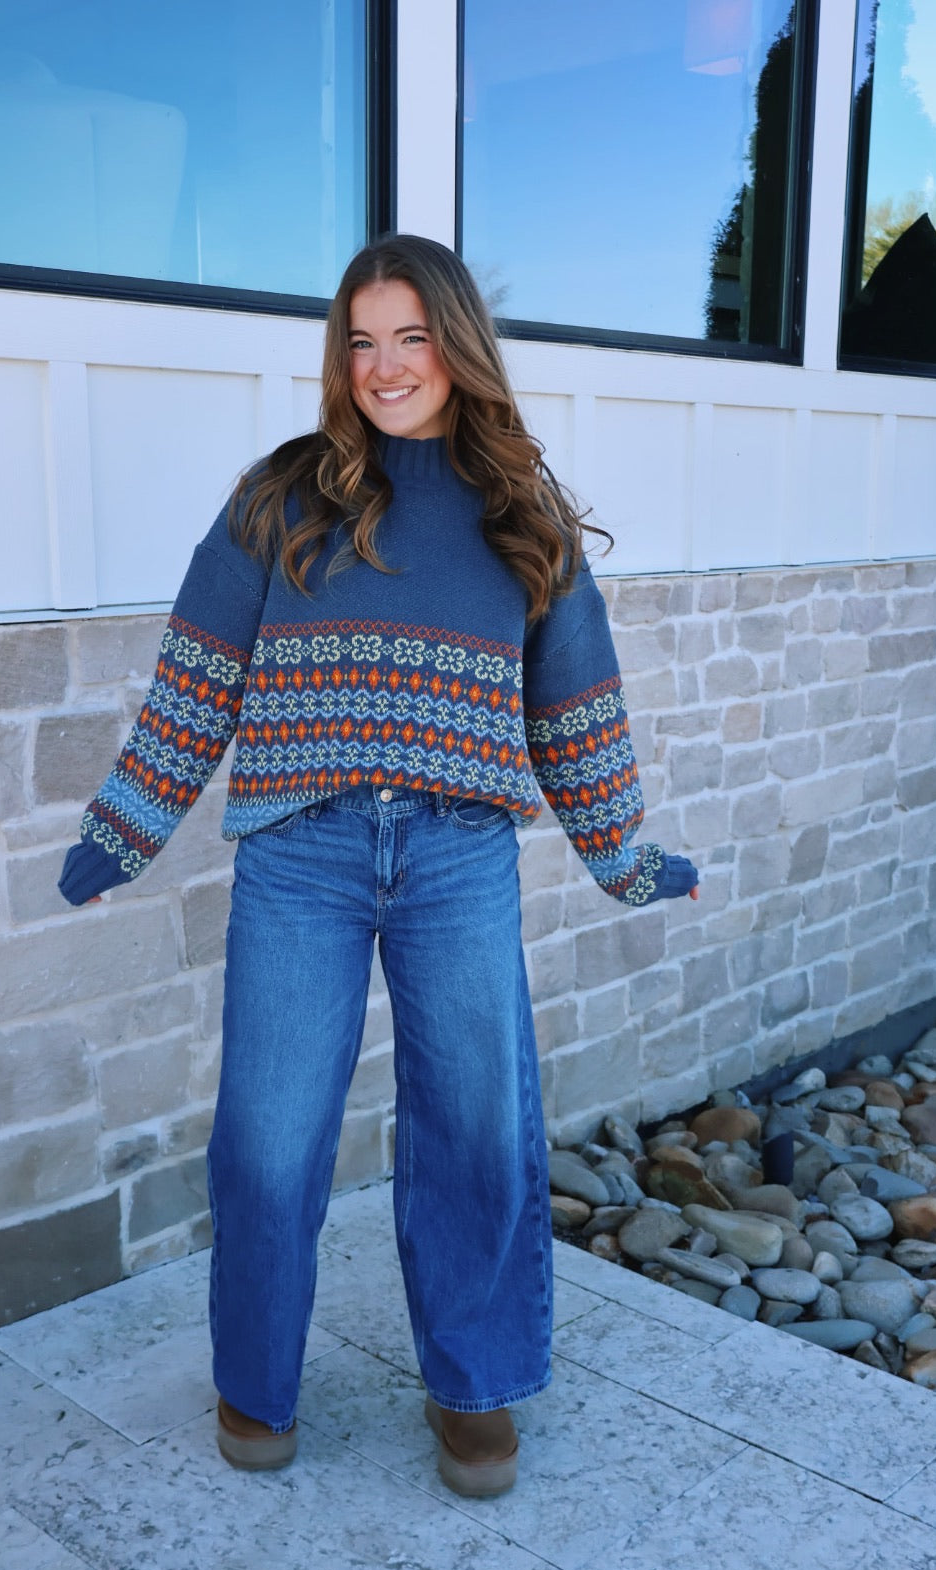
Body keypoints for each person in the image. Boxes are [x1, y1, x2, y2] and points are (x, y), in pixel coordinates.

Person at [58, 233, 698, 1499]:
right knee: (267, 1135)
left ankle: (475, 1384)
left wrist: (626, 858)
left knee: (476, 1128)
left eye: (412, 337)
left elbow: (576, 713)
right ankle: (257, 1380)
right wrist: (124, 827)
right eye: (362, 341)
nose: (385, 365)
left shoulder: (522, 516)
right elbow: (197, 679)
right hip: (301, 853)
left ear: (459, 347)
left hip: (459, 856)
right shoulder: (280, 497)